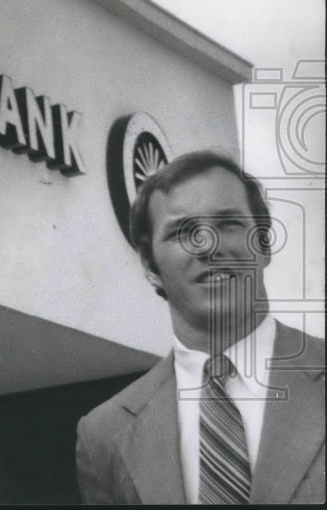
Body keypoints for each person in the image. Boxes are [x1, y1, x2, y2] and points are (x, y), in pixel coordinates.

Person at [76, 150, 324, 504]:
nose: (209, 245)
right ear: (149, 265)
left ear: (265, 244)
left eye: (229, 224)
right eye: (183, 231)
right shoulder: (105, 434)